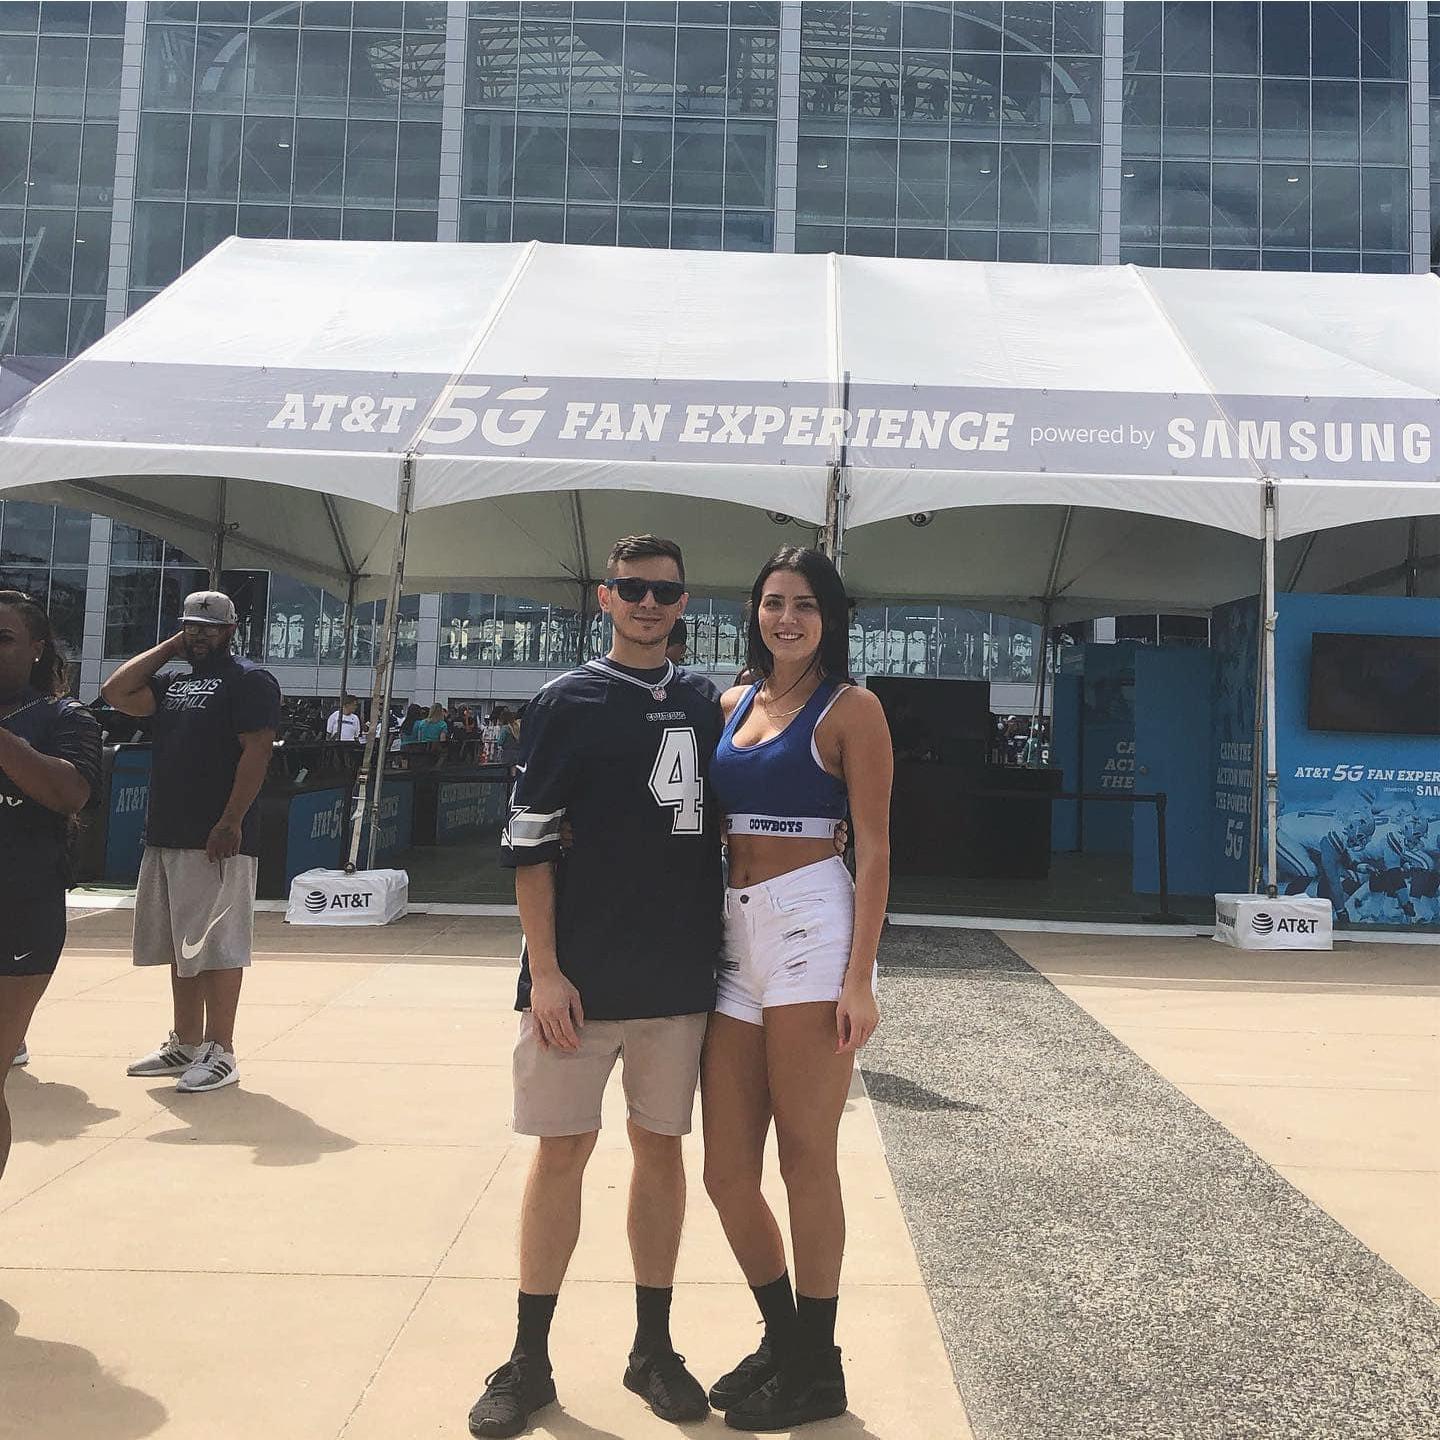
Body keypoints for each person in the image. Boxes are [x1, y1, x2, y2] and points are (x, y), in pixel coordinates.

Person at [468, 536, 721, 1438]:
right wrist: (545, 971)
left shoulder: (710, 700)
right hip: (577, 977)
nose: (650, 603)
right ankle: (528, 1357)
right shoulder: (565, 700)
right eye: (633, 589)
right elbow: (530, 842)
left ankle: (652, 1348)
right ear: (605, 597)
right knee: (561, 1154)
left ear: (684, 602)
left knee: (661, 1153)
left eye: (665, 591)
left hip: (677, 973)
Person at [702, 545, 891, 1430]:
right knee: (725, 1172)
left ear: (831, 617)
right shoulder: (731, 701)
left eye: (806, 604)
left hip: (814, 925)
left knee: (805, 1156)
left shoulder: (853, 709)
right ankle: (787, 1341)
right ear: (755, 610)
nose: (788, 618)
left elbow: (876, 849)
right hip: (733, 932)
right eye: (774, 601)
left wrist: (861, 977)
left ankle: (820, 1364)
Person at [101, 590, 281, 1095]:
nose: (199, 634)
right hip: (168, 831)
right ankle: (185, 1041)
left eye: (209, 626)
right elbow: (115, 691)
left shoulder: (249, 679)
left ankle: (221, 1050)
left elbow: (257, 752)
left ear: (230, 630)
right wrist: (168, 648)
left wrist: (231, 820)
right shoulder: (173, 681)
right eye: (191, 626)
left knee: (218, 946)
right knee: (182, 944)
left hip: (216, 836)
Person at [0, 591, 101, 1179]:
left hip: (20, 913)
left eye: (4, 638)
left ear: (38, 649)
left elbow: (69, 794)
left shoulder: (64, 719)